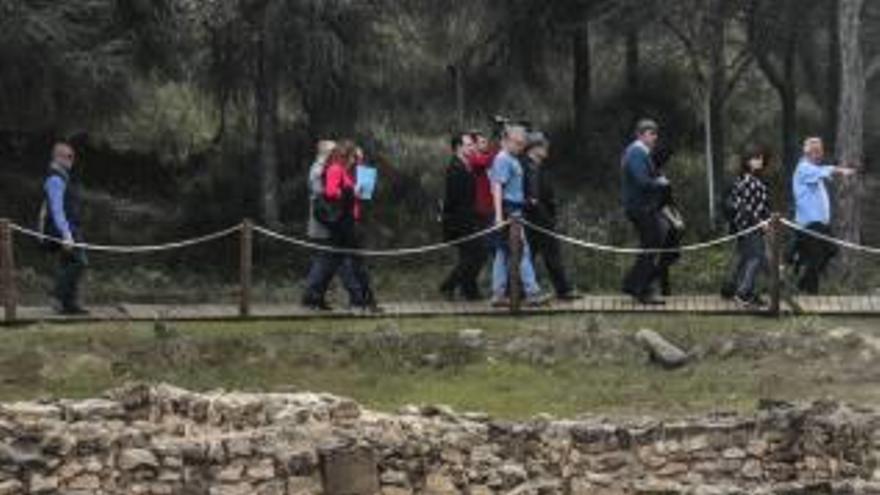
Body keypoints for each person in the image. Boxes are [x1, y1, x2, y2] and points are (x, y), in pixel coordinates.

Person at [489, 125, 550, 307]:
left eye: (522, 143)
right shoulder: (502, 159)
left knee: (502, 253)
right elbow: (497, 187)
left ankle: (498, 294)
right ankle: (532, 291)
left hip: (515, 208)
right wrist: (499, 216)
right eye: (517, 143)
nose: (520, 146)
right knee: (522, 251)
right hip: (509, 210)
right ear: (506, 140)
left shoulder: (512, 158)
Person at [790, 137, 855, 294]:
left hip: (820, 224)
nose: (819, 155)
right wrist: (840, 170)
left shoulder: (812, 170)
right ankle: (809, 292)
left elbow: (821, 173)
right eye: (816, 151)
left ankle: (799, 264)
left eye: (820, 151)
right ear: (809, 152)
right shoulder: (803, 168)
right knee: (816, 258)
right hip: (810, 223)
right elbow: (823, 170)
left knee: (830, 250)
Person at [323, 140, 380, 312]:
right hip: (342, 223)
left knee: (338, 262)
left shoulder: (345, 171)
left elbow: (360, 179)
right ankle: (364, 300)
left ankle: (363, 299)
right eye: (354, 157)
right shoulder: (335, 169)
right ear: (347, 155)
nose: (355, 160)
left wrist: (361, 163)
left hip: (349, 220)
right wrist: (351, 192)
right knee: (353, 262)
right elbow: (330, 192)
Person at [522, 131, 577, 300]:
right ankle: (563, 290)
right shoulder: (529, 167)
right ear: (533, 149)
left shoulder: (536, 166)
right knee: (548, 254)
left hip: (539, 218)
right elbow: (533, 197)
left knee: (531, 256)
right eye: (542, 146)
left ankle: (562, 289)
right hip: (537, 219)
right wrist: (546, 218)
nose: (546, 148)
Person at [620, 119, 669, 305]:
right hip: (640, 207)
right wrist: (660, 183)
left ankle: (635, 284)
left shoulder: (641, 152)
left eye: (655, 133)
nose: (655, 137)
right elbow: (641, 180)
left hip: (643, 207)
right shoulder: (636, 152)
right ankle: (639, 288)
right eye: (650, 133)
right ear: (640, 134)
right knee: (652, 244)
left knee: (651, 244)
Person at [40, 142, 89, 315]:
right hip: (62, 229)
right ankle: (57, 296)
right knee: (80, 262)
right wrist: (66, 234)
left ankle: (70, 304)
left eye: (72, 157)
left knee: (68, 262)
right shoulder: (55, 179)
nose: (71, 160)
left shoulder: (64, 177)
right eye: (68, 156)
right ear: (57, 157)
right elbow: (56, 209)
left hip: (72, 227)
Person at [440, 133, 486, 301]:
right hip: (460, 222)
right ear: (459, 147)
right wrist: (467, 223)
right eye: (468, 145)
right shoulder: (455, 169)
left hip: (469, 219)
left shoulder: (467, 166)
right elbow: (455, 201)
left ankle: (470, 291)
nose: (472, 147)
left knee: (472, 256)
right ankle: (448, 285)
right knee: (475, 254)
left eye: (472, 145)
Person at [725, 147, 772, 308]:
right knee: (755, 258)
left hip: (755, 225)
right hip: (747, 225)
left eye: (760, 157)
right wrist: (759, 221)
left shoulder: (755, 179)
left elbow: (762, 205)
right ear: (747, 161)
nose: (759, 160)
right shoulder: (745, 180)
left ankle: (742, 291)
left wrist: (766, 220)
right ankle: (743, 293)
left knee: (747, 258)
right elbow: (743, 206)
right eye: (755, 158)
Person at [301, 140, 338, 310]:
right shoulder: (317, 168)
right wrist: (338, 192)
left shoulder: (327, 168)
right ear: (324, 152)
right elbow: (319, 192)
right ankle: (311, 297)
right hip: (322, 221)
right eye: (332, 150)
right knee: (322, 260)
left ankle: (317, 296)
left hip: (327, 219)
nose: (335, 153)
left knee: (327, 261)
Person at [652, 145, 683, 297]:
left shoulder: (662, 176)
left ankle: (665, 289)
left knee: (669, 254)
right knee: (666, 255)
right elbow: (661, 204)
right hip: (662, 220)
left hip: (669, 218)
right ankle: (648, 281)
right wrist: (674, 220)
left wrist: (678, 216)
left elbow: (670, 201)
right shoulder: (656, 178)